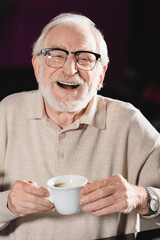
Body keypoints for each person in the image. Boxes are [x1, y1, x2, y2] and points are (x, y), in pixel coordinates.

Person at [0, 12, 160, 240]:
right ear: (37, 66)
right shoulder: (7, 112)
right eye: (56, 55)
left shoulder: (128, 121)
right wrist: (8, 204)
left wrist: (140, 198)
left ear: (101, 75)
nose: (69, 69)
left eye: (84, 58)